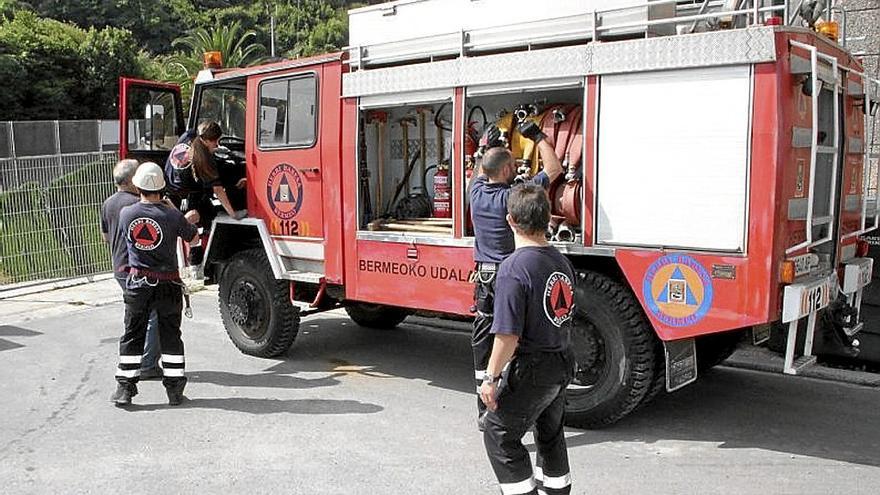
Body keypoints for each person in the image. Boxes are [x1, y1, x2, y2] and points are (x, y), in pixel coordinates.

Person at [479, 183, 575, 495]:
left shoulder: (513, 269)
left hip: (533, 368)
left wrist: (490, 378)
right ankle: (556, 490)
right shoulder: (561, 262)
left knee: (498, 433)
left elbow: (507, 335)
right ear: (548, 218)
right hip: (561, 361)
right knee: (550, 433)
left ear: (510, 221)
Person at [470, 120, 563, 427]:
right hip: (509, 276)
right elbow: (554, 169)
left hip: (484, 279)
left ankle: (484, 408)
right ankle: (512, 407)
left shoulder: (475, 191)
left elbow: (481, 168)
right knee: (514, 340)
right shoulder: (514, 198)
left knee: (484, 339)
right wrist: (538, 137)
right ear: (509, 171)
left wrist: (486, 145)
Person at [111, 162, 199, 407]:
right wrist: (172, 209)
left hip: (138, 284)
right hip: (168, 284)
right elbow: (193, 236)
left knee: (132, 334)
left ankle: (125, 390)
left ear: (137, 186)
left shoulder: (126, 214)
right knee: (171, 337)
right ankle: (174, 391)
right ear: (162, 187)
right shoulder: (171, 215)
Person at [100, 159, 162, 380]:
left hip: (119, 268)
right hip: (139, 269)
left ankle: (133, 362)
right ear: (130, 180)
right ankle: (147, 364)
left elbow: (106, 237)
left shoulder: (108, 203)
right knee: (153, 314)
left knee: (134, 314)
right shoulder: (138, 204)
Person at [165, 121, 245, 266]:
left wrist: (212, 151)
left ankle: (184, 237)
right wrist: (234, 214)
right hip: (188, 191)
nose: (218, 145)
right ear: (208, 140)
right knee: (207, 215)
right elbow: (218, 190)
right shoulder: (205, 162)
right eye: (216, 142)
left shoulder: (188, 135)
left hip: (170, 186)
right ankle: (176, 231)